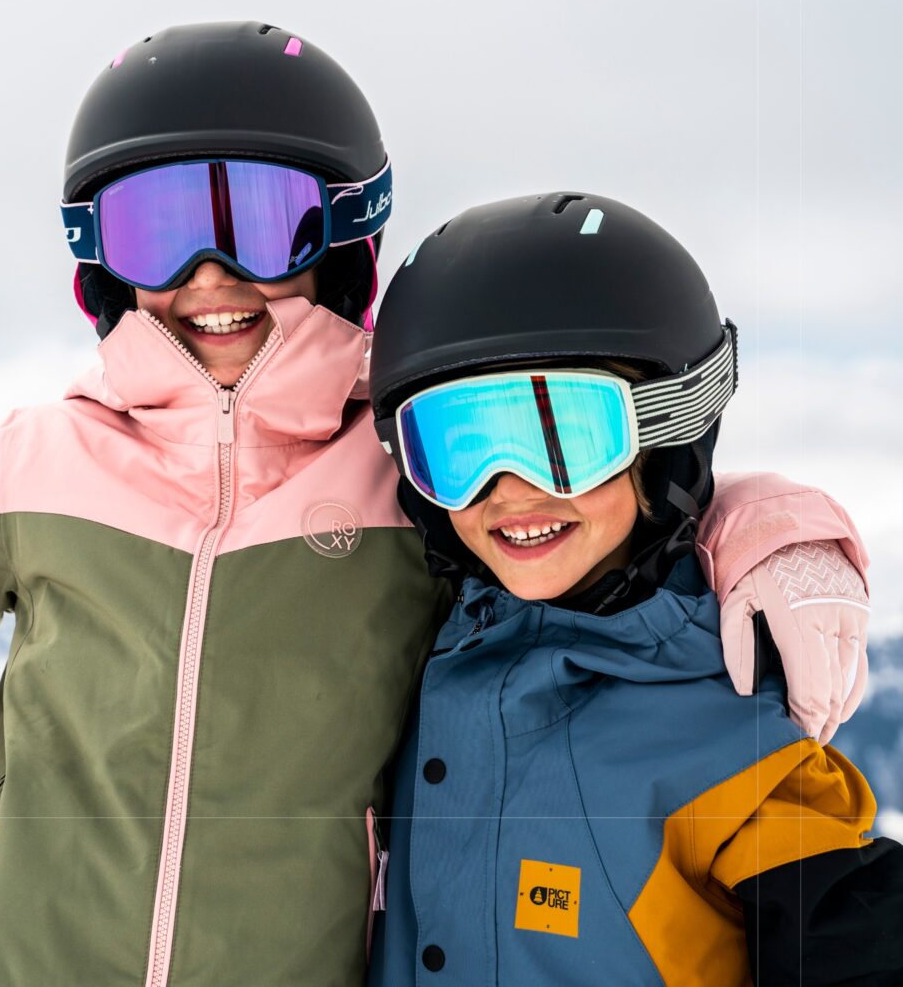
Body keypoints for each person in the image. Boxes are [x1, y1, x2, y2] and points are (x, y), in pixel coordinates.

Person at [0, 26, 872, 987]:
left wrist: (778, 531)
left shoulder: (402, 463)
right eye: (158, 230)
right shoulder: (38, 459)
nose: (209, 273)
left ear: (342, 236)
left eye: (261, 224)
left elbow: (596, 515)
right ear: (101, 254)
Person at [366, 192, 902, 986]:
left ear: (665, 435)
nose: (509, 488)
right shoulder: (418, 652)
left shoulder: (726, 734)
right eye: (459, 445)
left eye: (566, 437)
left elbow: (858, 937)